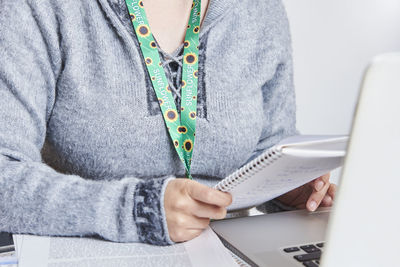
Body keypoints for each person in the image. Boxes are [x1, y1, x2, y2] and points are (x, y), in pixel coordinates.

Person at [0, 0, 336, 246]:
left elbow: (269, 145)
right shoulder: (38, 8)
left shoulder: (259, 10)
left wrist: (285, 186)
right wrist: (139, 210)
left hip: (228, 254)